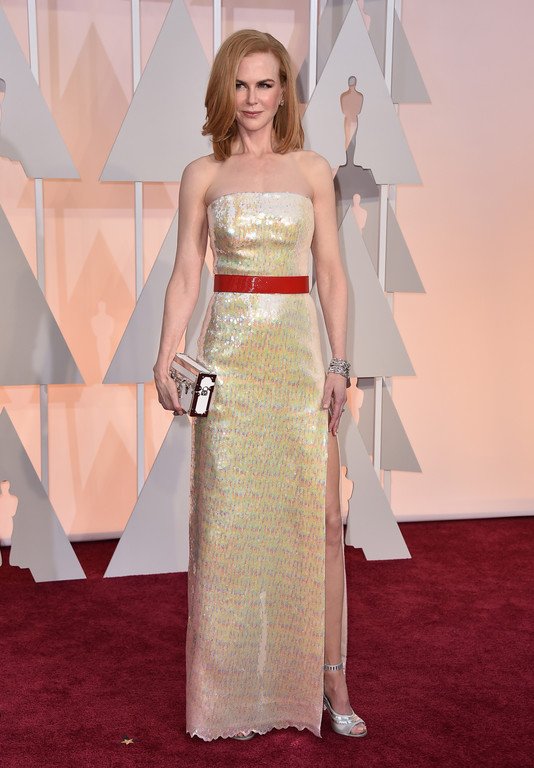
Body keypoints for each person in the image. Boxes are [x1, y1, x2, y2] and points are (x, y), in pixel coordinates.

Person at [153, 29, 367, 742]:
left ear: (283, 93)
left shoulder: (312, 170)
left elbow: (331, 273)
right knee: (226, 528)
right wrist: (166, 353)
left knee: (324, 525)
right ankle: (232, 692)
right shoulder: (203, 174)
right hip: (229, 367)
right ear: (226, 90)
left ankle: (331, 680)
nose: (252, 98)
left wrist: (339, 364)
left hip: (299, 365)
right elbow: (187, 274)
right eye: (240, 84)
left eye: (265, 84)